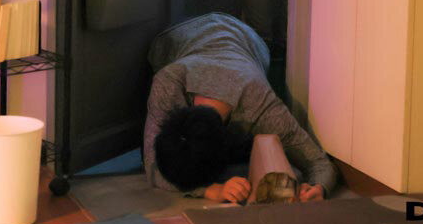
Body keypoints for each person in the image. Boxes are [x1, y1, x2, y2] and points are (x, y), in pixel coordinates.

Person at [143, 12, 336, 204]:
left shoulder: (262, 106)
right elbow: (153, 168)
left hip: (244, 35)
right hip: (178, 37)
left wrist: (318, 188)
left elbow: (318, 162)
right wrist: (210, 190)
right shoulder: (169, 82)